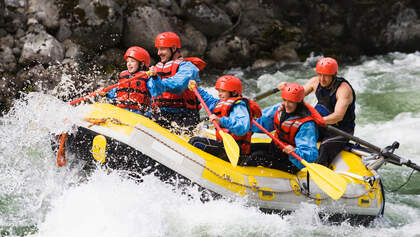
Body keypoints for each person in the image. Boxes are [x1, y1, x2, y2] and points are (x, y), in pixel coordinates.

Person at [278, 57, 356, 168]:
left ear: (334, 75)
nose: (322, 79)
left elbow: (338, 116)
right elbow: (296, 96)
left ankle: (317, 171)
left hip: (340, 130)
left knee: (325, 147)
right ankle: (287, 162)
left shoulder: (344, 89)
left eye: (326, 75)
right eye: (320, 74)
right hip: (320, 124)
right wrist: (286, 88)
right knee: (295, 131)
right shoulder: (315, 82)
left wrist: (317, 120)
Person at [251, 83, 324, 174]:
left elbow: (310, 155)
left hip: (291, 162)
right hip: (275, 149)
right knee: (247, 148)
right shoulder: (280, 109)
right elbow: (261, 122)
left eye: (291, 102)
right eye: (284, 100)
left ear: (298, 102)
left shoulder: (306, 124)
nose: (286, 104)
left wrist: (294, 151)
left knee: (257, 157)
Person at [188, 75, 261, 163]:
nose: (219, 94)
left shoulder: (239, 106)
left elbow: (242, 128)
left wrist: (221, 120)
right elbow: (208, 100)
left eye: (223, 91)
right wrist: (197, 89)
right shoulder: (222, 103)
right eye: (219, 91)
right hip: (224, 144)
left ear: (233, 93)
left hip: (235, 148)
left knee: (195, 142)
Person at [147, 32, 205, 133]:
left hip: (184, 117)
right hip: (161, 114)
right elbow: (153, 91)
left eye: (162, 49)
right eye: (158, 49)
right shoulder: (156, 68)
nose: (158, 53)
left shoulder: (188, 67)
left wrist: (157, 80)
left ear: (173, 48)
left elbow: (178, 85)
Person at [99, 46, 151, 115]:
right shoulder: (123, 76)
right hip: (120, 111)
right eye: (127, 61)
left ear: (141, 64)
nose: (129, 64)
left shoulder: (147, 79)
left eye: (132, 61)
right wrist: (105, 94)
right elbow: (114, 95)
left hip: (137, 114)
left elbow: (154, 95)